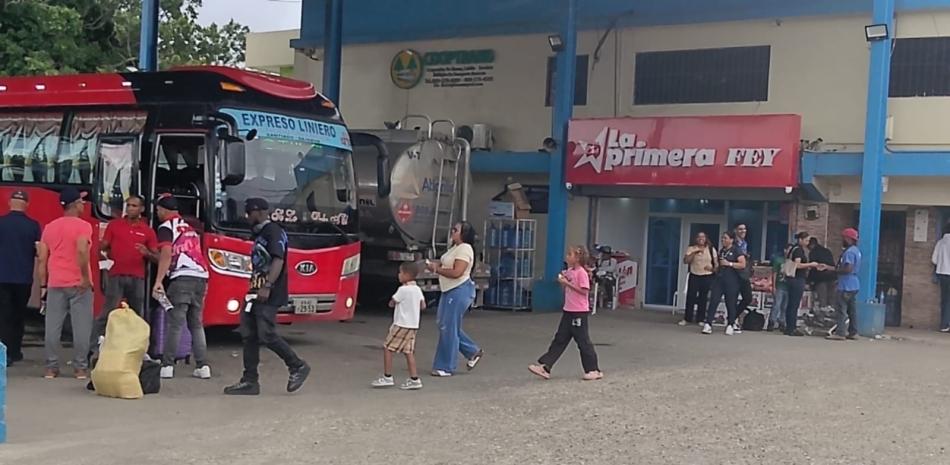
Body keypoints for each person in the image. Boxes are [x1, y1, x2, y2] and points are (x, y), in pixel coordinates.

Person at [224, 198, 312, 395]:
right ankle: (250, 381)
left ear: (258, 212)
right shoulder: (259, 233)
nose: (247, 217)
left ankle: (297, 365)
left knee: (267, 334)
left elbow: (278, 260)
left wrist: (268, 286)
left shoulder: (273, 231)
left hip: (269, 292)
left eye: (249, 213)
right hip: (254, 291)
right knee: (249, 335)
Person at [153, 193, 212, 380]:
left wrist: (158, 280)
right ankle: (203, 366)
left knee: (175, 323)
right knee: (196, 323)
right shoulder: (190, 228)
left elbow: (166, 254)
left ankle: (167, 366)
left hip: (182, 278)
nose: (156, 212)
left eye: (158, 209)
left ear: (163, 210)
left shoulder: (165, 227)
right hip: (201, 277)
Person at [37, 187, 94, 379]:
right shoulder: (84, 226)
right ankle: (80, 368)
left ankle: (51, 368)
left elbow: (42, 259)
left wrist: (43, 285)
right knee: (81, 327)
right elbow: (81, 251)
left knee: (52, 326)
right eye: (81, 201)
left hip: (55, 282)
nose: (83, 204)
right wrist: (85, 277)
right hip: (78, 283)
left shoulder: (50, 227)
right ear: (76, 204)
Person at [529, 245, 603, 380]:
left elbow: (584, 291)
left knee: (583, 341)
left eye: (570, 255)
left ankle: (593, 369)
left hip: (579, 312)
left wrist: (567, 284)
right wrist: (563, 280)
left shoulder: (582, 273)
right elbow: (566, 279)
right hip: (568, 310)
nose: (567, 257)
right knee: (560, 339)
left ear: (578, 258)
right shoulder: (571, 271)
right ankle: (546, 366)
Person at [93, 195, 158, 345]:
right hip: (116, 275)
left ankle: (136, 346)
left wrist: (146, 253)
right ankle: (95, 345)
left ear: (141, 209)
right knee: (107, 312)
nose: (130, 208)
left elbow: (158, 257)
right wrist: (102, 261)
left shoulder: (148, 231)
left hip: (137, 278)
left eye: (134, 206)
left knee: (137, 315)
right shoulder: (114, 225)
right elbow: (102, 247)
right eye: (128, 205)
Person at [427, 221, 483, 377]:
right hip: (449, 289)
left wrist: (437, 270)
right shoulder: (455, 248)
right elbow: (445, 262)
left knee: (448, 326)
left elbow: (457, 272)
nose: (452, 232)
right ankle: (472, 351)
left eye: (455, 230)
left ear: (464, 233)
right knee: (445, 324)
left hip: (459, 290)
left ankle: (446, 366)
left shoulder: (465, 249)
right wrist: (434, 264)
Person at [0, 190, 41, 367]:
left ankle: (4, 353)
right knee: (18, 315)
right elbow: (38, 251)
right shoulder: (33, 225)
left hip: (2, 276)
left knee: (4, 316)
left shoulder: (1, 223)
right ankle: (15, 351)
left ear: (10, 203)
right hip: (23, 277)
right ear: (26, 204)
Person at [371, 262, 426, 390]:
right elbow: (423, 305)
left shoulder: (403, 290)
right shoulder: (417, 289)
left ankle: (387, 376)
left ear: (406, 275)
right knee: (408, 351)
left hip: (401, 323)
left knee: (387, 348)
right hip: (413, 325)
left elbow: (392, 302)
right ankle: (414, 379)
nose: (398, 275)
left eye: (400, 273)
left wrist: (394, 303)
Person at [701, 231, 746, 336]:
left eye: (725, 238)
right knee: (714, 300)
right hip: (719, 279)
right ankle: (708, 323)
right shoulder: (721, 251)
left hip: (732, 280)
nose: (723, 240)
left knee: (730, 303)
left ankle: (730, 324)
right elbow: (719, 266)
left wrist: (729, 263)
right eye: (722, 238)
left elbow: (742, 264)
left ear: (731, 240)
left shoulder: (736, 250)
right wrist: (712, 269)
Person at [827, 228, 862, 341]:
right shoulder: (856, 250)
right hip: (854, 285)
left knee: (841, 309)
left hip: (845, 284)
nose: (842, 240)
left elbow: (848, 269)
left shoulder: (849, 252)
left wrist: (834, 271)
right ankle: (853, 332)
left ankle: (840, 333)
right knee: (852, 310)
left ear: (848, 239)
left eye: (843, 238)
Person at [785, 232, 821, 337]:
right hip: (797, 279)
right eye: (806, 240)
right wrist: (811, 264)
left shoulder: (792, 249)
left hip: (791, 278)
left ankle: (789, 327)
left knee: (791, 304)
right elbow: (797, 265)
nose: (807, 242)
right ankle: (791, 328)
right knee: (794, 304)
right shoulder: (798, 250)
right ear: (800, 239)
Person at [681, 232, 716, 325]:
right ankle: (687, 318)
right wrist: (694, 252)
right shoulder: (691, 248)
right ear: (696, 239)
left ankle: (700, 319)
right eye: (699, 237)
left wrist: (712, 269)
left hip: (706, 275)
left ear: (706, 238)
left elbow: (716, 264)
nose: (701, 238)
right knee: (691, 297)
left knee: (703, 298)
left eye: (703, 237)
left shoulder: (711, 249)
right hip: (694, 275)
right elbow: (686, 261)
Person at [807, 237, 837, 311]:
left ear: (811, 245)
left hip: (821, 278)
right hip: (832, 277)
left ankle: (822, 318)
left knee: (822, 301)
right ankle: (831, 315)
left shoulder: (813, 252)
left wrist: (809, 281)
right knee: (831, 300)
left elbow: (813, 267)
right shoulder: (827, 251)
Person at [768, 244, 792, 332]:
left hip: (788, 286)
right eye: (788, 249)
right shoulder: (778, 260)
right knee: (776, 304)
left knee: (785, 306)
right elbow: (774, 273)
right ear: (785, 250)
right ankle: (771, 321)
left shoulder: (792, 261)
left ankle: (782, 322)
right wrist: (773, 285)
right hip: (780, 285)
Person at [734, 223, 753, 330]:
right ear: (736, 230)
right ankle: (732, 321)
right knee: (733, 298)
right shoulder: (733, 243)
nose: (743, 231)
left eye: (744, 229)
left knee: (748, 298)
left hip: (744, 275)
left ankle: (733, 317)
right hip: (735, 274)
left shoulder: (744, 243)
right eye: (740, 229)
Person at [933, 221, 950, 332]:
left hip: (942, 274)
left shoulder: (940, 243)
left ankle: (944, 324)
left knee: (945, 299)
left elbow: (934, 259)